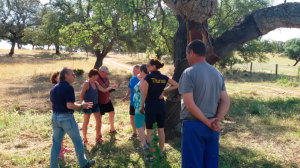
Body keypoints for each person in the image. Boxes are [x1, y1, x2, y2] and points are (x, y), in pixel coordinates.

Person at [178, 40, 230, 168]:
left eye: (187, 54)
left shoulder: (188, 73)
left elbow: (189, 105)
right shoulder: (217, 73)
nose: (187, 57)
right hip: (213, 127)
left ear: (191, 52)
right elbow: (225, 100)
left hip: (194, 126)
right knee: (211, 164)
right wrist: (217, 120)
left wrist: (207, 122)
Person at [50, 67, 95, 168]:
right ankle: (84, 164)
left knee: (56, 144)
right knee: (78, 141)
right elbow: (69, 106)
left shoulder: (54, 88)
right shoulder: (69, 87)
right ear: (66, 76)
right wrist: (82, 106)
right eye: (72, 74)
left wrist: (75, 104)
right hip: (66, 118)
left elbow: (55, 104)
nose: (74, 76)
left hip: (55, 117)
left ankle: (53, 166)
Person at [140, 59, 178, 156]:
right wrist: (164, 90)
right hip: (161, 106)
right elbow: (176, 85)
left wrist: (141, 107)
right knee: (161, 129)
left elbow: (144, 94)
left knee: (150, 130)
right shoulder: (164, 77)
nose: (146, 67)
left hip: (150, 106)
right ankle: (161, 152)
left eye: (148, 65)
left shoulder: (148, 78)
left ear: (153, 66)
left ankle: (153, 155)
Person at [80, 69, 115, 146]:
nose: (98, 77)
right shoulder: (87, 83)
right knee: (86, 122)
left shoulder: (96, 83)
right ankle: (85, 139)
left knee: (99, 121)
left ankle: (97, 137)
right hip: (88, 105)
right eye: (97, 75)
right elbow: (81, 95)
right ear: (93, 75)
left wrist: (112, 87)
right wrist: (84, 103)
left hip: (96, 105)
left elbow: (103, 90)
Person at [50, 72, 72, 159]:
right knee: (58, 134)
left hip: (64, 114)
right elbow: (52, 103)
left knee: (62, 133)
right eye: (59, 76)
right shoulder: (55, 89)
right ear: (55, 79)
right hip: (58, 114)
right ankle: (59, 152)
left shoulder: (63, 88)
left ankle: (62, 148)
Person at [97, 66, 120, 134]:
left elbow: (107, 87)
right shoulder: (96, 79)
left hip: (107, 98)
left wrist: (113, 87)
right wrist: (112, 87)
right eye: (106, 73)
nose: (107, 74)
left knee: (112, 112)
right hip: (100, 100)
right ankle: (99, 133)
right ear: (101, 72)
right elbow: (102, 90)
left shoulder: (106, 77)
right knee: (99, 117)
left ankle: (112, 129)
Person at [133, 64, 148, 150]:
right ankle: (145, 141)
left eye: (140, 71)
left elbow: (143, 93)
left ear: (142, 71)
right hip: (144, 105)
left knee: (138, 123)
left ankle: (144, 144)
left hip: (141, 105)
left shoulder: (144, 80)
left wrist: (141, 106)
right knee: (143, 123)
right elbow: (138, 75)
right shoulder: (147, 78)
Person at [122, 65, 140, 140]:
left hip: (140, 102)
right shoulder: (132, 78)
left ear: (140, 70)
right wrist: (126, 96)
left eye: (135, 70)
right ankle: (134, 133)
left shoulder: (144, 79)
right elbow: (129, 88)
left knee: (140, 118)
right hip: (132, 102)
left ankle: (142, 134)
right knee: (132, 117)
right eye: (133, 70)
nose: (133, 71)